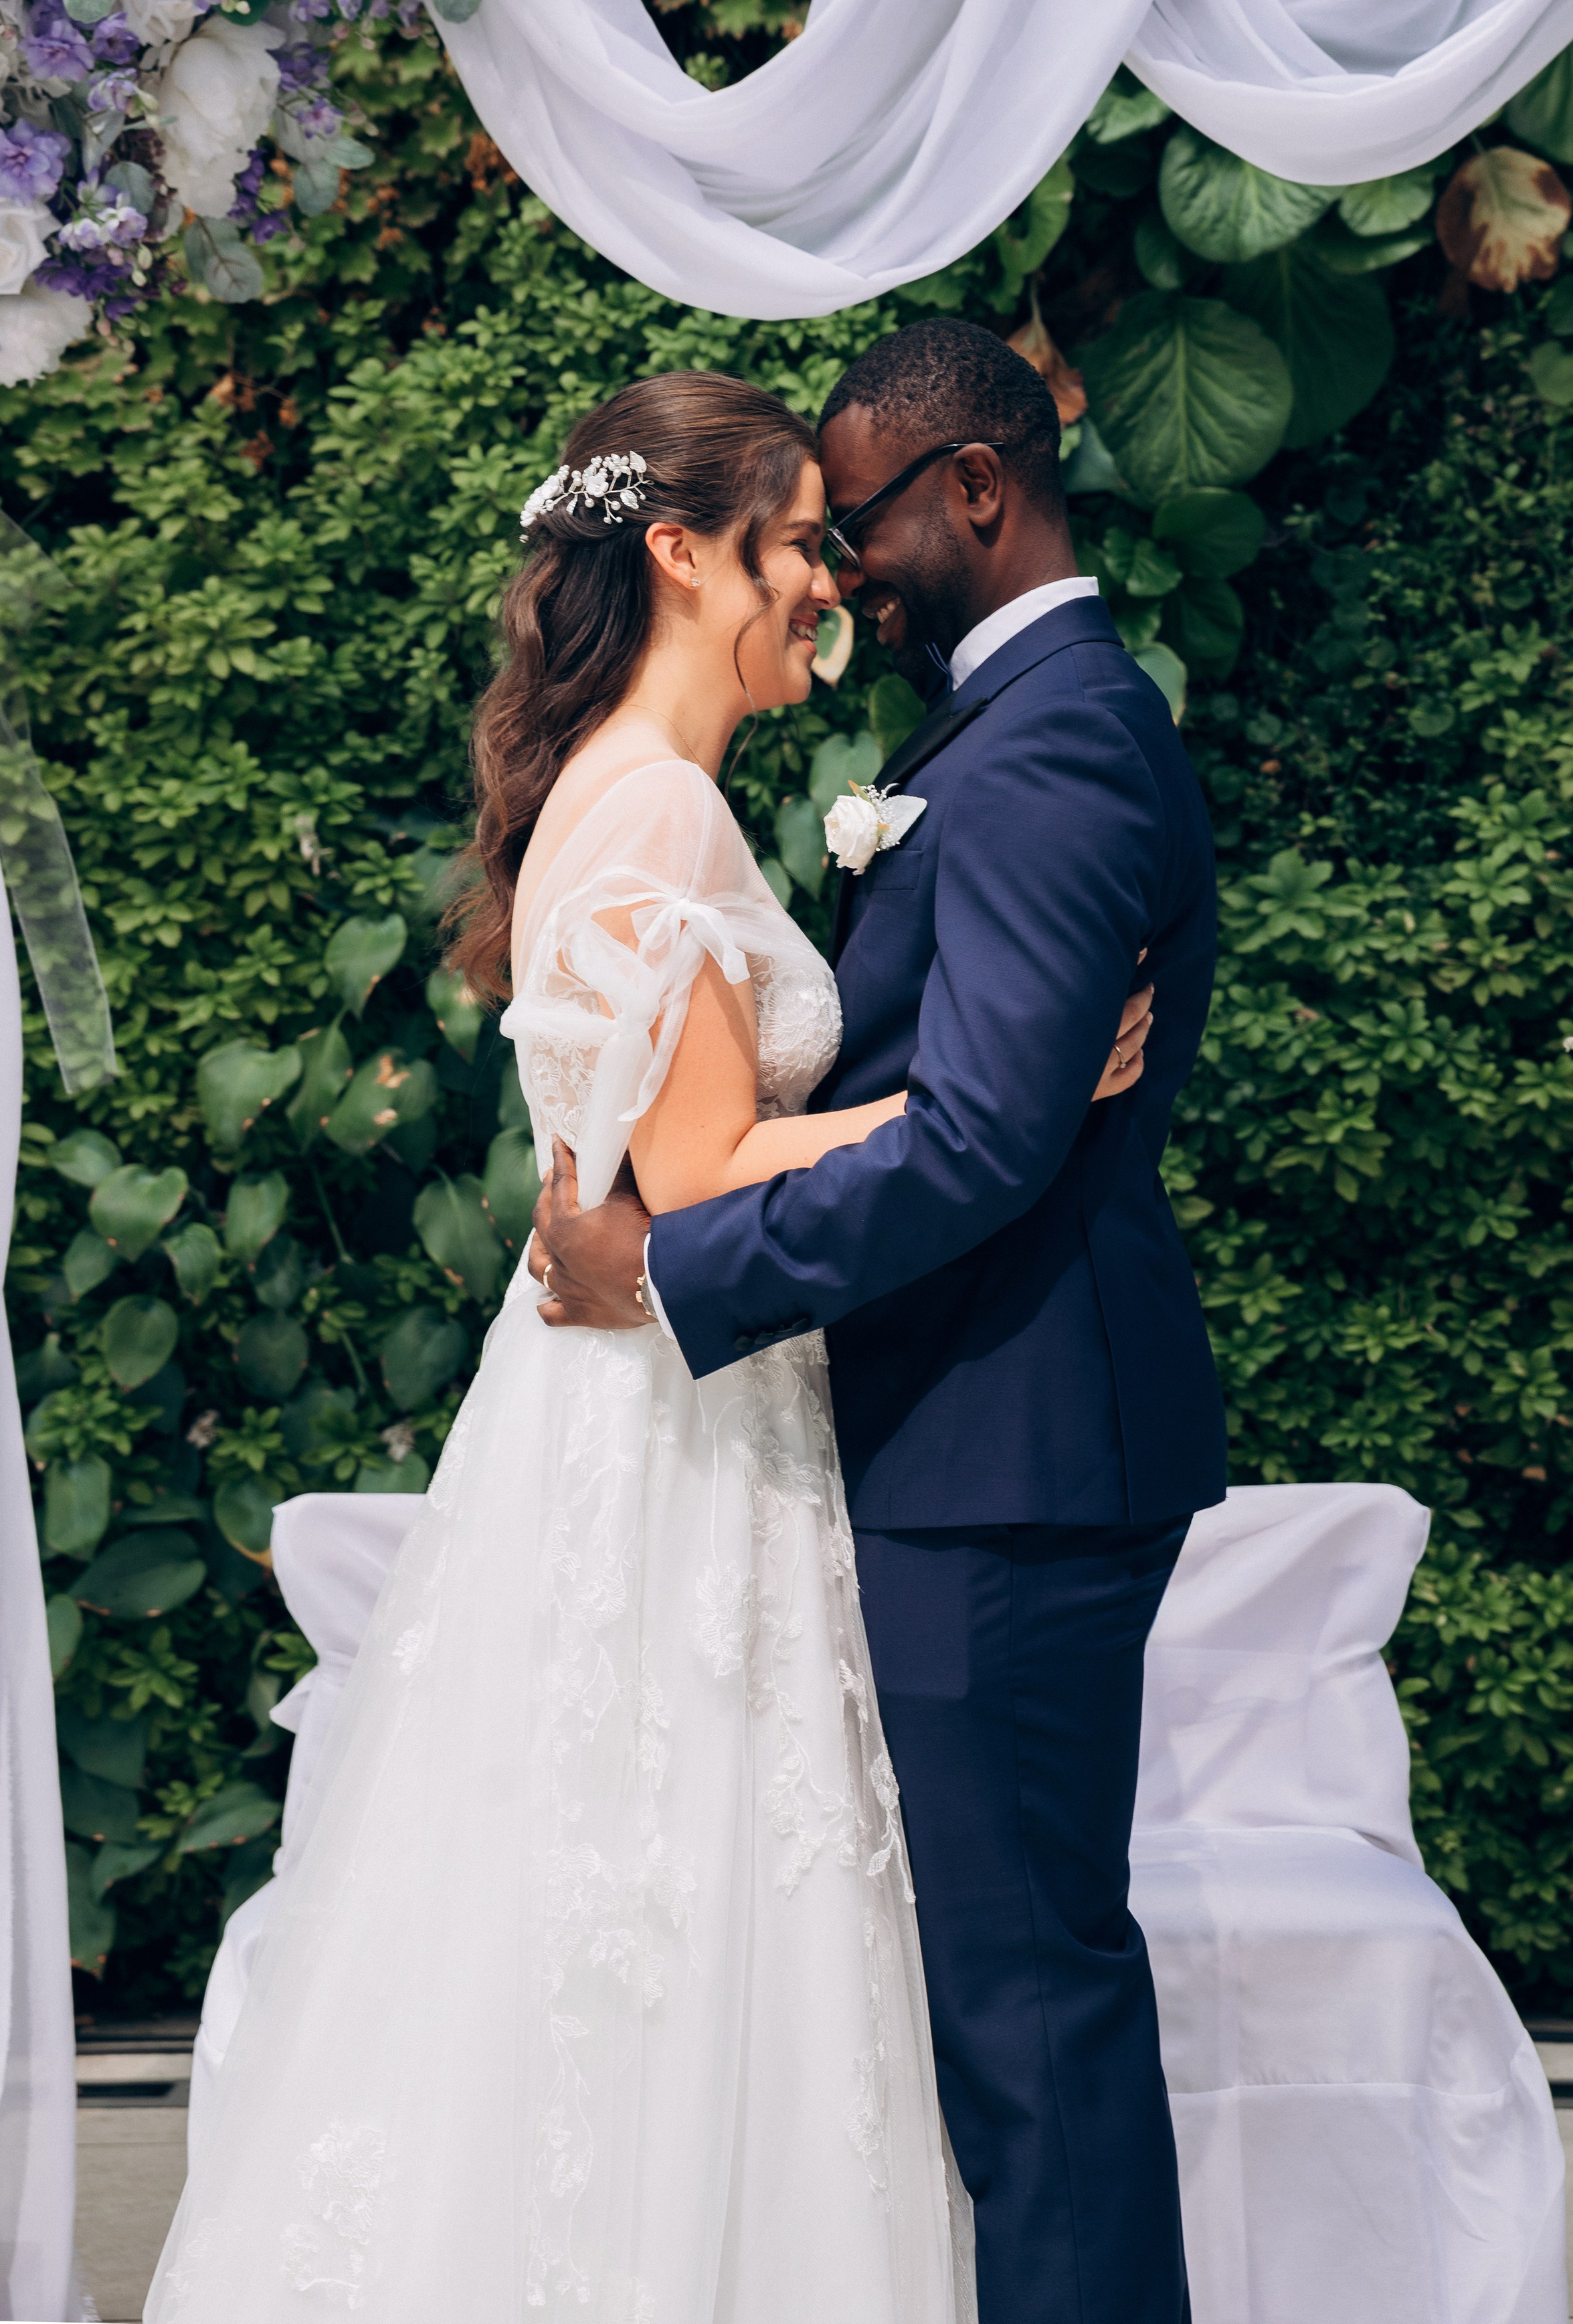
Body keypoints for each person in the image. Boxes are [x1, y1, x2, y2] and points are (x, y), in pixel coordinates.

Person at [145, 368, 1143, 2324]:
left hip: (661, 1394)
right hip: (676, 1425)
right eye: (791, 545)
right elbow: (694, 1173)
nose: (828, 590)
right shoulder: (658, 805)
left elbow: (674, 1160)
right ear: (680, 554)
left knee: (634, 1918)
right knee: (670, 1916)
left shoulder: (633, 790)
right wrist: (981, 1098)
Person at [530, 319, 1229, 2324]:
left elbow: (988, 1143)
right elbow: (974, 1111)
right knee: (1007, 2018)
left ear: (981, 491)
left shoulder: (1058, 736)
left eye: (866, 525)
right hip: (971, 1440)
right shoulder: (1021, 729)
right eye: (806, 539)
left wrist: (673, 1273)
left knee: (1028, 2022)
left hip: (1014, 1452)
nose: (844, 573)